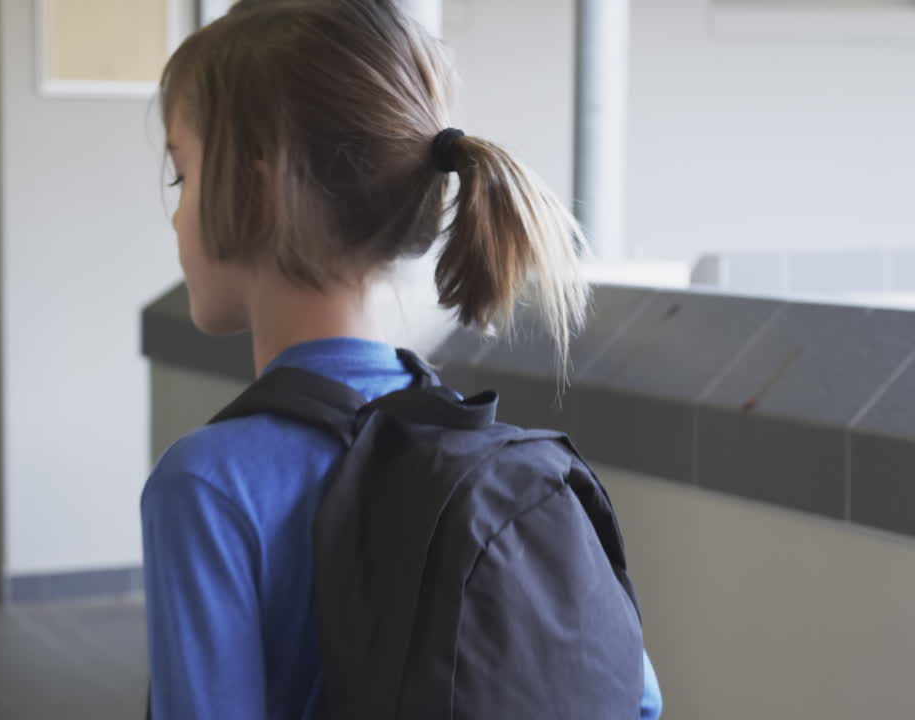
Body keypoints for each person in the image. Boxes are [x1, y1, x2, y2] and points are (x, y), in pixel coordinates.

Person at [141, 1, 663, 718]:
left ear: (256, 195)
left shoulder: (208, 485)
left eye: (181, 176)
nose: (175, 214)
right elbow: (636, 700)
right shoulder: (476, 452)